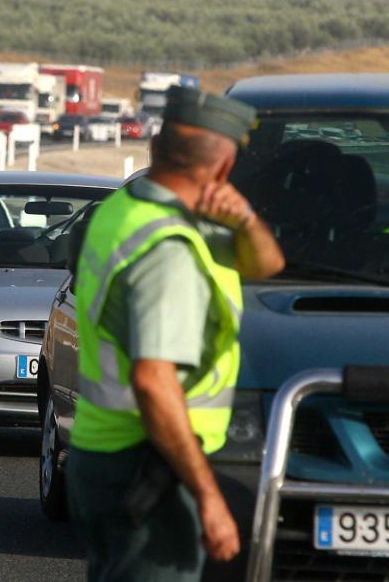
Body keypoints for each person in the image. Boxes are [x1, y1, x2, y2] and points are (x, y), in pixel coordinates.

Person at [65, 85, 285, 581]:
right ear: (225, 169)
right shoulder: (169, 251)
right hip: (146, 465)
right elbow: (153, 382)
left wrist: (246, 221)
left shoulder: (127, 212)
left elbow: (267, 263)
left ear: (156, 148)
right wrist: (208, 497)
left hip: (100, 456)